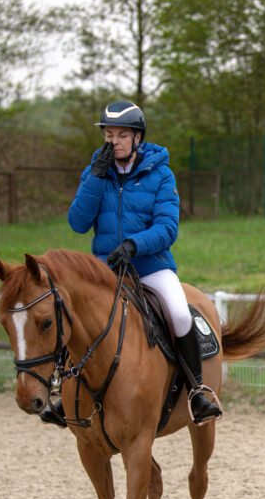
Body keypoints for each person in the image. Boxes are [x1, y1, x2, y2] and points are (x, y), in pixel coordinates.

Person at [59, 99, 222, 426]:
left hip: (150, 267)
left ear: (138, 138)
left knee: (178, 313)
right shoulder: (96, 174)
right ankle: (58, 393)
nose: (113, 141)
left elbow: (167, 228)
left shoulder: (161, 174)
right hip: (104, 271)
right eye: (108, 134)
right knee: (69, 312)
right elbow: (77, 222)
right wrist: (94, 177)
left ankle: (197, 391)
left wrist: (134, 245)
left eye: (121, 135)